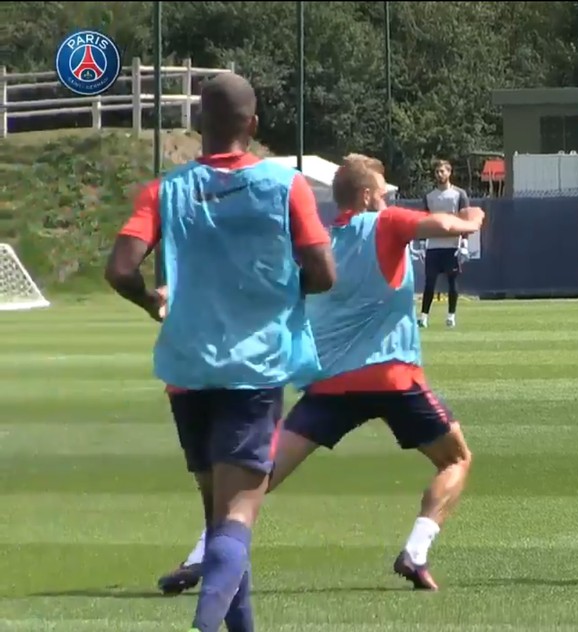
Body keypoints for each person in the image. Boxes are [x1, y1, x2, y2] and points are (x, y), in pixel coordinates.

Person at [157, 154, 483, 593]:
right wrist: (472, 218)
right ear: (366, 196)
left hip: (329, 385)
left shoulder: (318, 244)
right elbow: (446, 228)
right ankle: (416, 551)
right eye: (383, 193)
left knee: (256, 474)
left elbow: (252, 282)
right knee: (457, 458)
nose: (388, 200)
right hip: (391, 377)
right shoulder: (384, 224)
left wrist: (171, 292)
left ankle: (203, 553)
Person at [105, 72, 336, 631]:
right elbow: (324, 273)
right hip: (251, 369)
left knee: (219, 516)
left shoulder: (166, 189)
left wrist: (151, 303)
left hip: (186, 370)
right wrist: (284, 290)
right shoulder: (286, 186)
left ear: (198, 125)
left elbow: (119, 269)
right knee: (235, 517)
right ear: (253, 126)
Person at [418, 159, 471, 328]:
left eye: (443, 171)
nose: (440, 175)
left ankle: (451, 316)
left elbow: (465, 219)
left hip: (452, 244)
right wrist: (421, 243)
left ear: (449, 172)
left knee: (452, 282)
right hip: (434, 245)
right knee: (430, 282)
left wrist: (465, 243)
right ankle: (424, 317)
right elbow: (424, 220)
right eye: (437, 172)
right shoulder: (429, 196)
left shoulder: (459, 194)